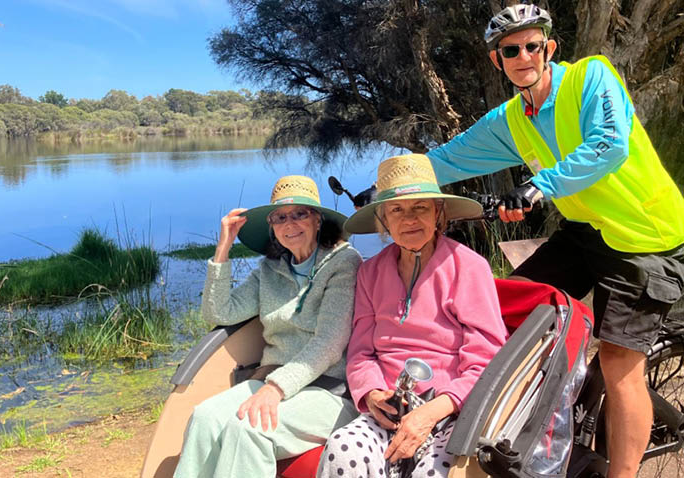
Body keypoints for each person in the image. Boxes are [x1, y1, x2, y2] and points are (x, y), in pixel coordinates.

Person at [425, 5, 684, 478]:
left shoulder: (590, 77)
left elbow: (609, 144)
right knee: (504, 311)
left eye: (532, 45)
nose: (523, 55)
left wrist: (539, 185)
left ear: (550, 48)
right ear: (496, 60)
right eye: (511, 49)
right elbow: (448, 159)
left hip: (646, 238)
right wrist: (391, 187)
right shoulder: (512, 118)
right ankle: (527, 426)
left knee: (618, 360)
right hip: (587, 232)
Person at [317, 154, 507, 478]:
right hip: (389, 408)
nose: (409, 219)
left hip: (452, 409)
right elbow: (361, 352)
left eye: (420, 207)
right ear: (383, 221)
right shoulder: (370, 273)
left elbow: (488, 359)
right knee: (342, 449)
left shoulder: (469, 267)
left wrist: (432, 413)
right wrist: (373, 394)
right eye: (397, 210)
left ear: (438, 213)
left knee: (431, 472)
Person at [174, 175, 363, 478]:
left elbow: (330, 342)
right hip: (273, 382)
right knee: (205, 417)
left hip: (330, 390)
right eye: (280, 217)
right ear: (272, 227)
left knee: (249, 429)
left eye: (300, 214)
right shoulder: (270, 269)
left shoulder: (344, 263)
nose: (290, 224)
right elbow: (219, 312)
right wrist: (223, 249)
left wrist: (276, 388)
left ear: (318, 220)